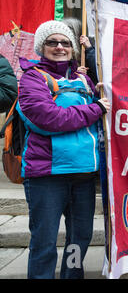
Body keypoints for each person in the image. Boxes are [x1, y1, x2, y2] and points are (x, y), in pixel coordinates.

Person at [17, 20, 110, 279]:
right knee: (44, 244)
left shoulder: (83, 78)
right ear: (41, 47)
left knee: (78, 242)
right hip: (47, 177)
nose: (60, 47)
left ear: (73, 48)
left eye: (65, 43)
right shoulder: (33, 78)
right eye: (52, 42)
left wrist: (98, 95)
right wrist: (95, 108)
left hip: (83, 177)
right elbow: (49, 119)